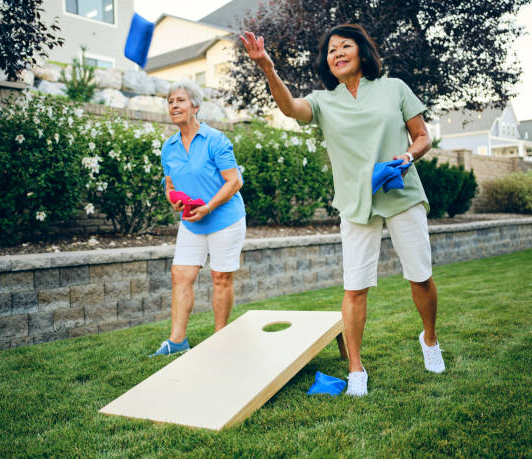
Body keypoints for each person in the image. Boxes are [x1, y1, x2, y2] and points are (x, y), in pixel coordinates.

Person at [240, 24, 445, 395]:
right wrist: (268, 68)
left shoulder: (393, 88)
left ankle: (429, 339)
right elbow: (290, 108)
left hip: (401, 193)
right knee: (354, 287)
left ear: (362, 52)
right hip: (355, 201)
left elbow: (422, 137)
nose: (336, 53)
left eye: (345, 46)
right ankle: (355, 370)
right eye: (331, 50)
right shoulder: (323, 101)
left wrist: (407, 156)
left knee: (420, 277)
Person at [150, 80, 246, 357]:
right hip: (192, 221)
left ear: (195, 106)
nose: (174, 106)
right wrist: (174, 199)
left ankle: (220, 338)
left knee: (221, 277)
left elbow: (234, 181)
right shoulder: (168, 147)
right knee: (181, 275)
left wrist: (209, 207)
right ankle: (177, 341)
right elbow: (169, 186)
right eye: (170, 102)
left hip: (224, 219)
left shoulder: (215, 140)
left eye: (180, 100)